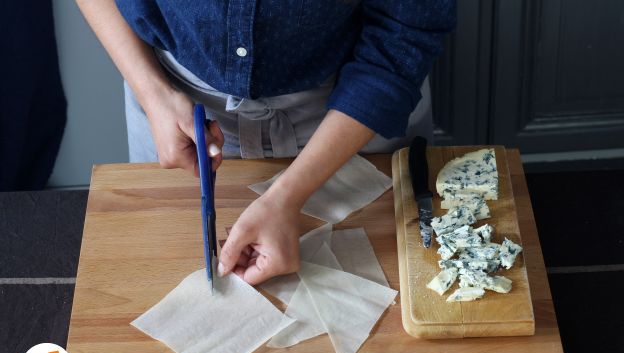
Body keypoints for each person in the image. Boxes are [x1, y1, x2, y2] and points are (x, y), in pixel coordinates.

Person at [77, 0, 456, 285]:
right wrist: (152, 93)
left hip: (350, 113)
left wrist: (287, 197)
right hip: (170, 106)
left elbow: (407, 28)